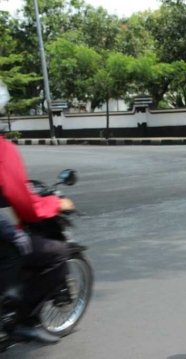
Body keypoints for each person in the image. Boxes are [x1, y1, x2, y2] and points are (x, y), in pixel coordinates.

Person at [0, 82, 75, 344]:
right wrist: (56, 204)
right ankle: (23, 320)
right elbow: (26, 207)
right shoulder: (3, 150)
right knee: (57, 253)